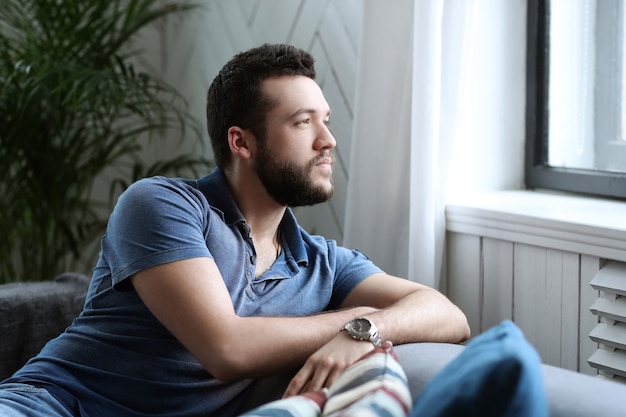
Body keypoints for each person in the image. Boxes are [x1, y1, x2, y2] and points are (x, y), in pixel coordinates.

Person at [0, 43, 470, 417]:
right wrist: (351, 321)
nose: (328, 141)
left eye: (325, 120)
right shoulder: (163, 204)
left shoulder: (323, 262)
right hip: (51, 404)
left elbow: (448, 314)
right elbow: (226, 348)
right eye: (302, 122)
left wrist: (365, 328)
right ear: (240, 142)